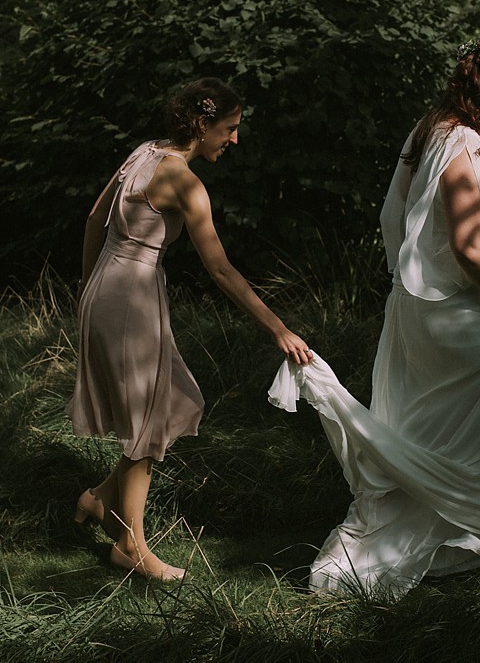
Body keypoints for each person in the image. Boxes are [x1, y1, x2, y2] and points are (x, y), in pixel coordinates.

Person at [273, 40, 480, 598]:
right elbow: (470, 246)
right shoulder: (467, 144)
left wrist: (407, 274)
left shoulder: (429, 129)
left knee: (428, 428)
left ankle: (468, 535)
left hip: (416, 308)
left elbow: (389, 211)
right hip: (462, 310)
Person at [67, 77, 313, 582]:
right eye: (229, 128)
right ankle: (130, 546)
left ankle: (100, 499)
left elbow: (94, 219)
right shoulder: (184, 181)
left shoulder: (143, 151)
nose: (235, 139)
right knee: (146, 422)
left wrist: (87, 291)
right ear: (202, 125)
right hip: (130, 299)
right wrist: (278, 329)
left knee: (174, 402)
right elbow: (220, 270)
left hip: (107, 288)